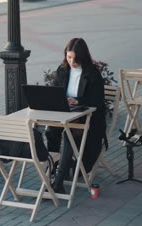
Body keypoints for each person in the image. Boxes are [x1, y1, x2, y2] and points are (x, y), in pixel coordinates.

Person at [50, 37, 107, 194]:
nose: (72, 61)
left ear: (83, 57)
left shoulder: (92, 73)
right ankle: (53, 170)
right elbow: (55, 91)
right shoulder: (62, 70)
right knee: (50, 131)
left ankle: (59, 182)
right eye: (69, 57)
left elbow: (97, 100)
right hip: (65, 113)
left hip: (88, 118)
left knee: (70, 135)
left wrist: (78, 100)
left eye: (75, 58)